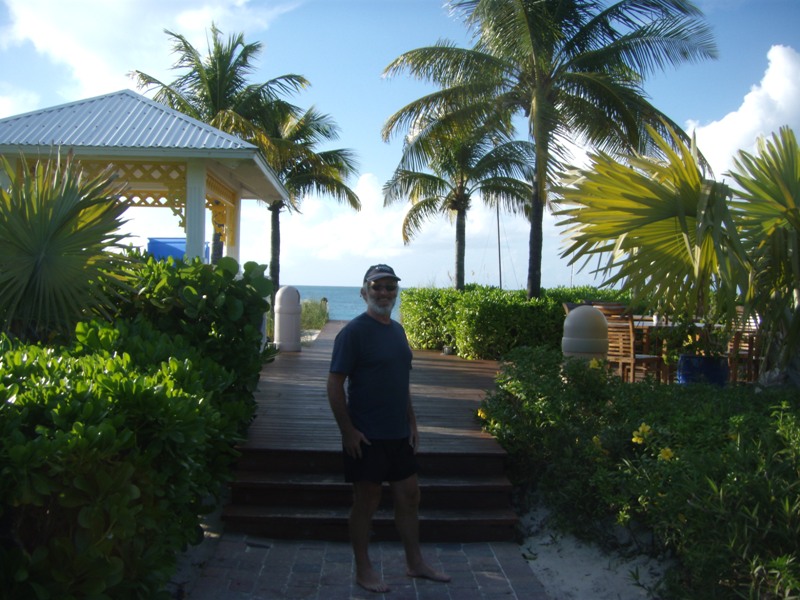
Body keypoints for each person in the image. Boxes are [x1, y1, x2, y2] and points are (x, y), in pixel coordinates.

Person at [326, 264, 451, 594]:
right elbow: (334, 384)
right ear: (364, 292)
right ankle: (363, 569)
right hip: (366, 435)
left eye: (390, 287)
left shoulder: (397, 331)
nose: (384, 293)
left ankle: (415, 563)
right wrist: (347, 431)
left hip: (398, 434)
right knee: (366, 501)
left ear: (396, 292)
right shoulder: (353, 333)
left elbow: (400, 381)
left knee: (410, 496)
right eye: (377, 286)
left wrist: (412, 421)